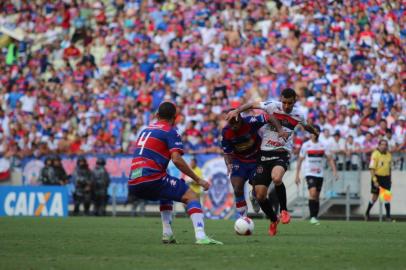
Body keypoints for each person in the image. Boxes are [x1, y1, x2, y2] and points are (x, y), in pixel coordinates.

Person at [226, 88, 319, 236]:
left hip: (282, 153)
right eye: (284, 102)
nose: (287, 106)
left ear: (295, 101)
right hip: (264, 153)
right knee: (260, 195)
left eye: (290, 103)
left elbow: (305, 125)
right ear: (281, 99)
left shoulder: (299, 114)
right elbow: (251, 104)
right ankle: (273, 219)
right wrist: (237, 111)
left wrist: (313, 130)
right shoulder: (271, 105)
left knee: (277, 178)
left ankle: (284, 211)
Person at [128, 102, 222, 245]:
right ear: (175, 118)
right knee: (192, 196)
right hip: (151, 177)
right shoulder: (170, 131)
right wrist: (198, 179)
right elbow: (177, 159)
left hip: (133, 181)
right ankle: (201, 236)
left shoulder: (145, 130)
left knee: (166, 194)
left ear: (157, 115)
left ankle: (167, 234)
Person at [221, 111, 283, 217]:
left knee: (257, 189)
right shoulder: (226, 131)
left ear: (240, 118)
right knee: (237, 189)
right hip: (239, 161)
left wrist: (280, 129)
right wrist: (228, 164)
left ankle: (254, 196)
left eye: (235, 122)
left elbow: (269, 117)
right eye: (231, 124)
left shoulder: (250, 121)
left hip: (257, 159)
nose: (234, 126)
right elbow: (226, 152)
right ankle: (243, 218)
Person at [295, 125, 338, 225]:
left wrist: (335, 171)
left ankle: (315, 216)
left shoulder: (324, 145)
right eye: (313, 132)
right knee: (313, 193)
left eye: (316, 132)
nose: (314, 134)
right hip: (309, 172)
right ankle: (312, 217)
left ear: (319, 133)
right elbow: (300, 160)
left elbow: (330, 159)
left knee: (317, 196)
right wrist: (297, 175)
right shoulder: (306, 145)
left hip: (320, 173)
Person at [365, 139, 393, 221]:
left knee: (386, 197)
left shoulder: (389, 155)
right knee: (375, 197)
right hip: (377, 177)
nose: (384, 146)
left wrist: (390, 178)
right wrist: (375, 180)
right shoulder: (375, 154)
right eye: (382, 144)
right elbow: (371, 169)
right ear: (379, 145)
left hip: (386, 178)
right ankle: (367, 213)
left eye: (385, 145)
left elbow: (390, 168)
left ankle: (388, 216)